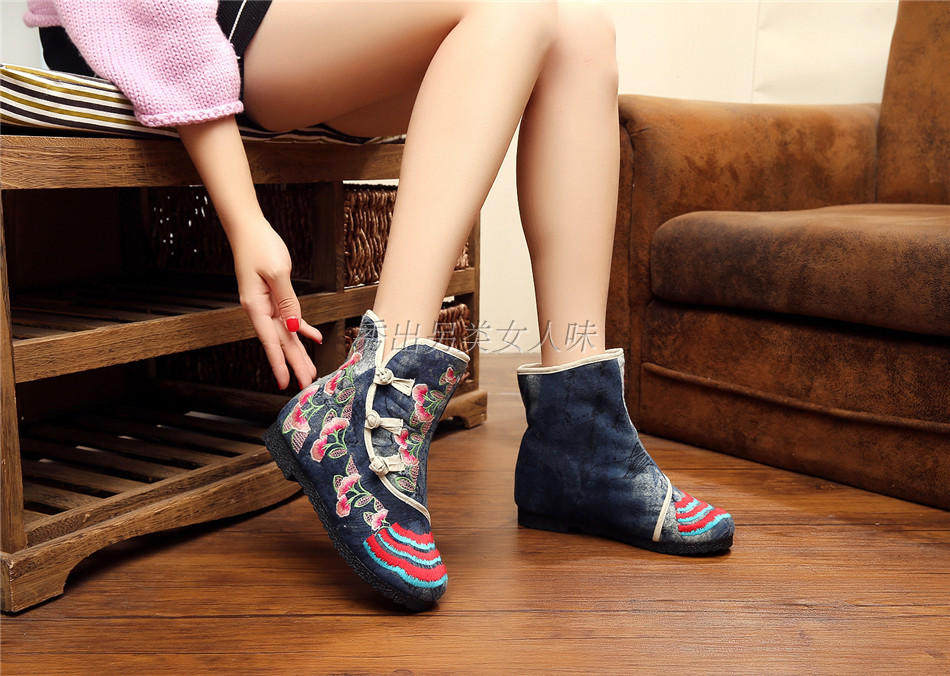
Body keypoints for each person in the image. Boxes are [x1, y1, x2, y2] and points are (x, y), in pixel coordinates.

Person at [25, 0, 734, 611]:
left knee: (578, 27)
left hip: (288, 30)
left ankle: (581, 436)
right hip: (167, 32)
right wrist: (244, 218)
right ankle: (377, 386)